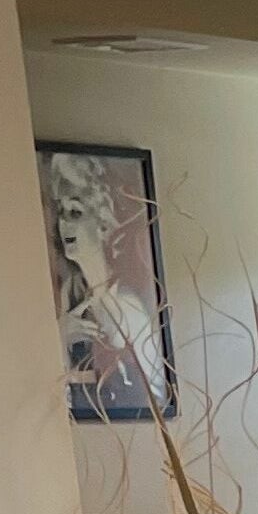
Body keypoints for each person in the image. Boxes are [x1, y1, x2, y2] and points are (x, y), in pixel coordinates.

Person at [43, 152, 166, 417]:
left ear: (101, 223)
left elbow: (152, 395)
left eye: (76, 212)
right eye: (61, 213)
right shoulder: (72, 292)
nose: (64, 223)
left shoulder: (126, 304)